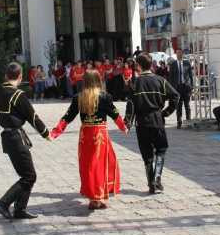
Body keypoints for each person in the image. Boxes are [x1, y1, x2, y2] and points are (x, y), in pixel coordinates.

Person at [0, 63, 51, 219]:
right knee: (29, 176)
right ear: (20, 76)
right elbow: (32, 116)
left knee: (26, 175)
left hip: (7, 138)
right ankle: (3, 203)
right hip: (16, 137)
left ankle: (20, 210)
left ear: (6, 76)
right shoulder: (18, 95)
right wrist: (46, 133)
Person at [51, 71, 128, 209]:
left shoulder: (79, 97)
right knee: (100, 165)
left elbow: (67, 117)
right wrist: (123, 127)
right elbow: (115, 114)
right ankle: (100, 197)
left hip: (86, 135)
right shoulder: (105, 97)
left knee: (88, 166)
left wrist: (55, 132)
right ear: (98, 80)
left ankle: (93, 198)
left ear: (84, 81)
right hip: (100, 135)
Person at [124, 54, 179, 194]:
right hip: (157, 120)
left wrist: (127, 122)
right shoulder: (161, 80)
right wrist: (165, 113)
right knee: (161, 150)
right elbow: (175, 96)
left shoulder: (134, 83)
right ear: (151, 65)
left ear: (139, 66)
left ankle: (151, 182)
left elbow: (130, 104)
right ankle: (157, 179)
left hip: (141, 123)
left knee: (147, 154)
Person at [169, 49, 194, 129]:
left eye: (180, 53)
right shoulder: (173, 64)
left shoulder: (187, 63)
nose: (179, 54)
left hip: (186, 87)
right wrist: (172, 89)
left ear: (182, 54)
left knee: (187, 105)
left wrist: (191, 86)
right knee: (179, 106)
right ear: (176, 54)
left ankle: (188, 122)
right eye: (177, 53)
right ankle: (179, 122)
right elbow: (171, 77)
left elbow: (191, 76)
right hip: (177, 88)